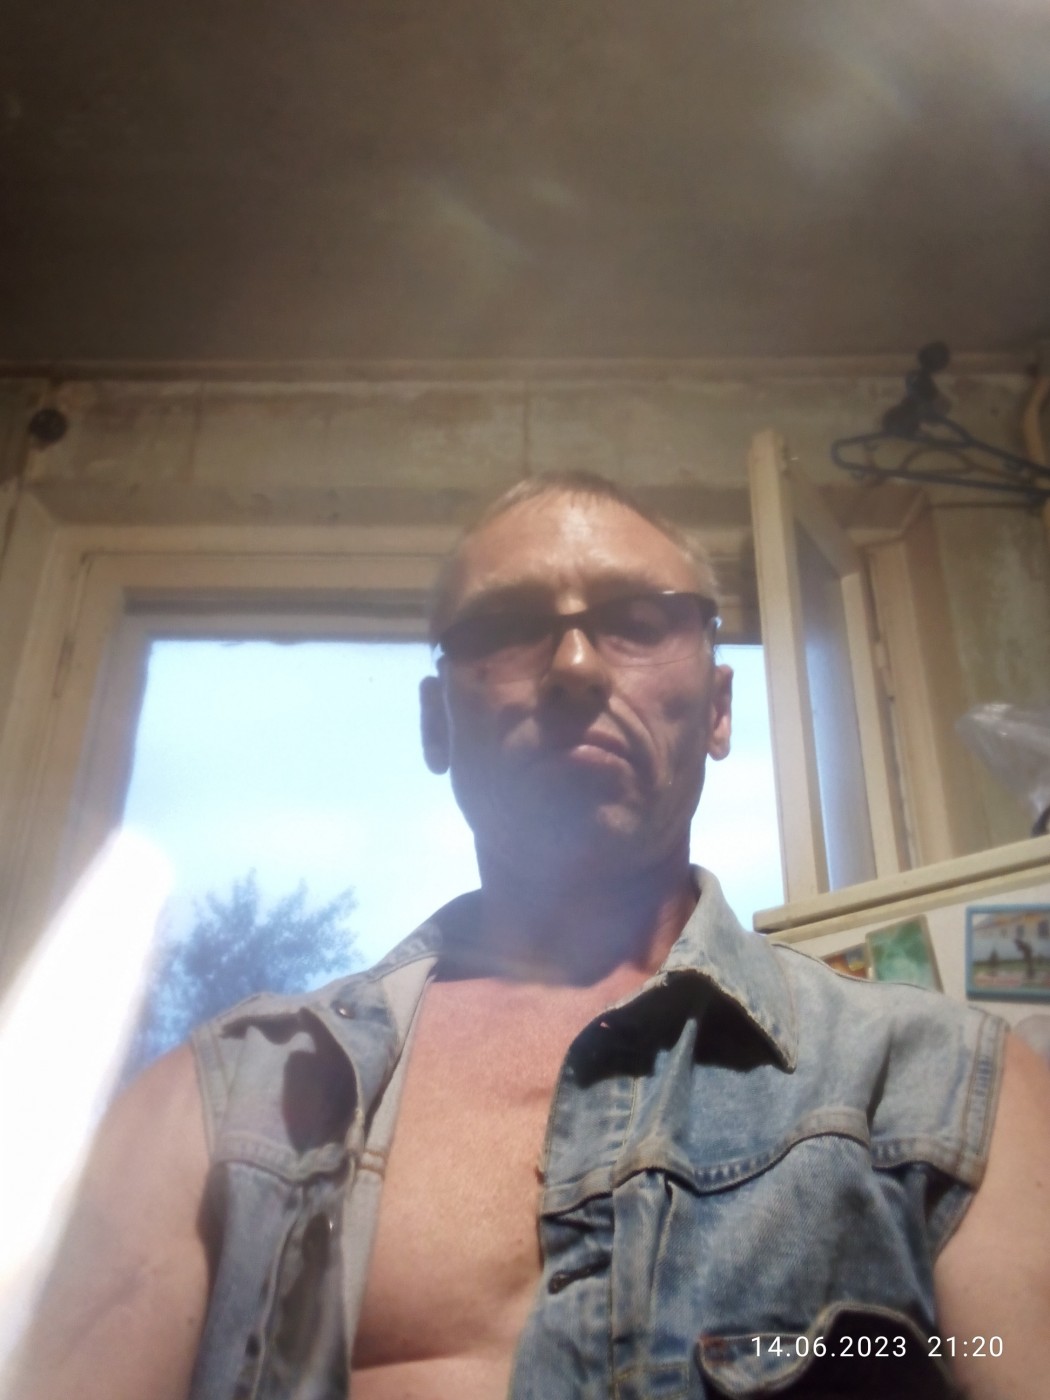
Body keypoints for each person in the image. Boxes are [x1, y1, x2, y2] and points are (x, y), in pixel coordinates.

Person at [13, 471, 1050, 1400]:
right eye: (510, 624)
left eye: (637, 618)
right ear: (436, 723)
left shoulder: (944, 1091)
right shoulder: (214, 1111)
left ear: (719, 708)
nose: (575, 664)